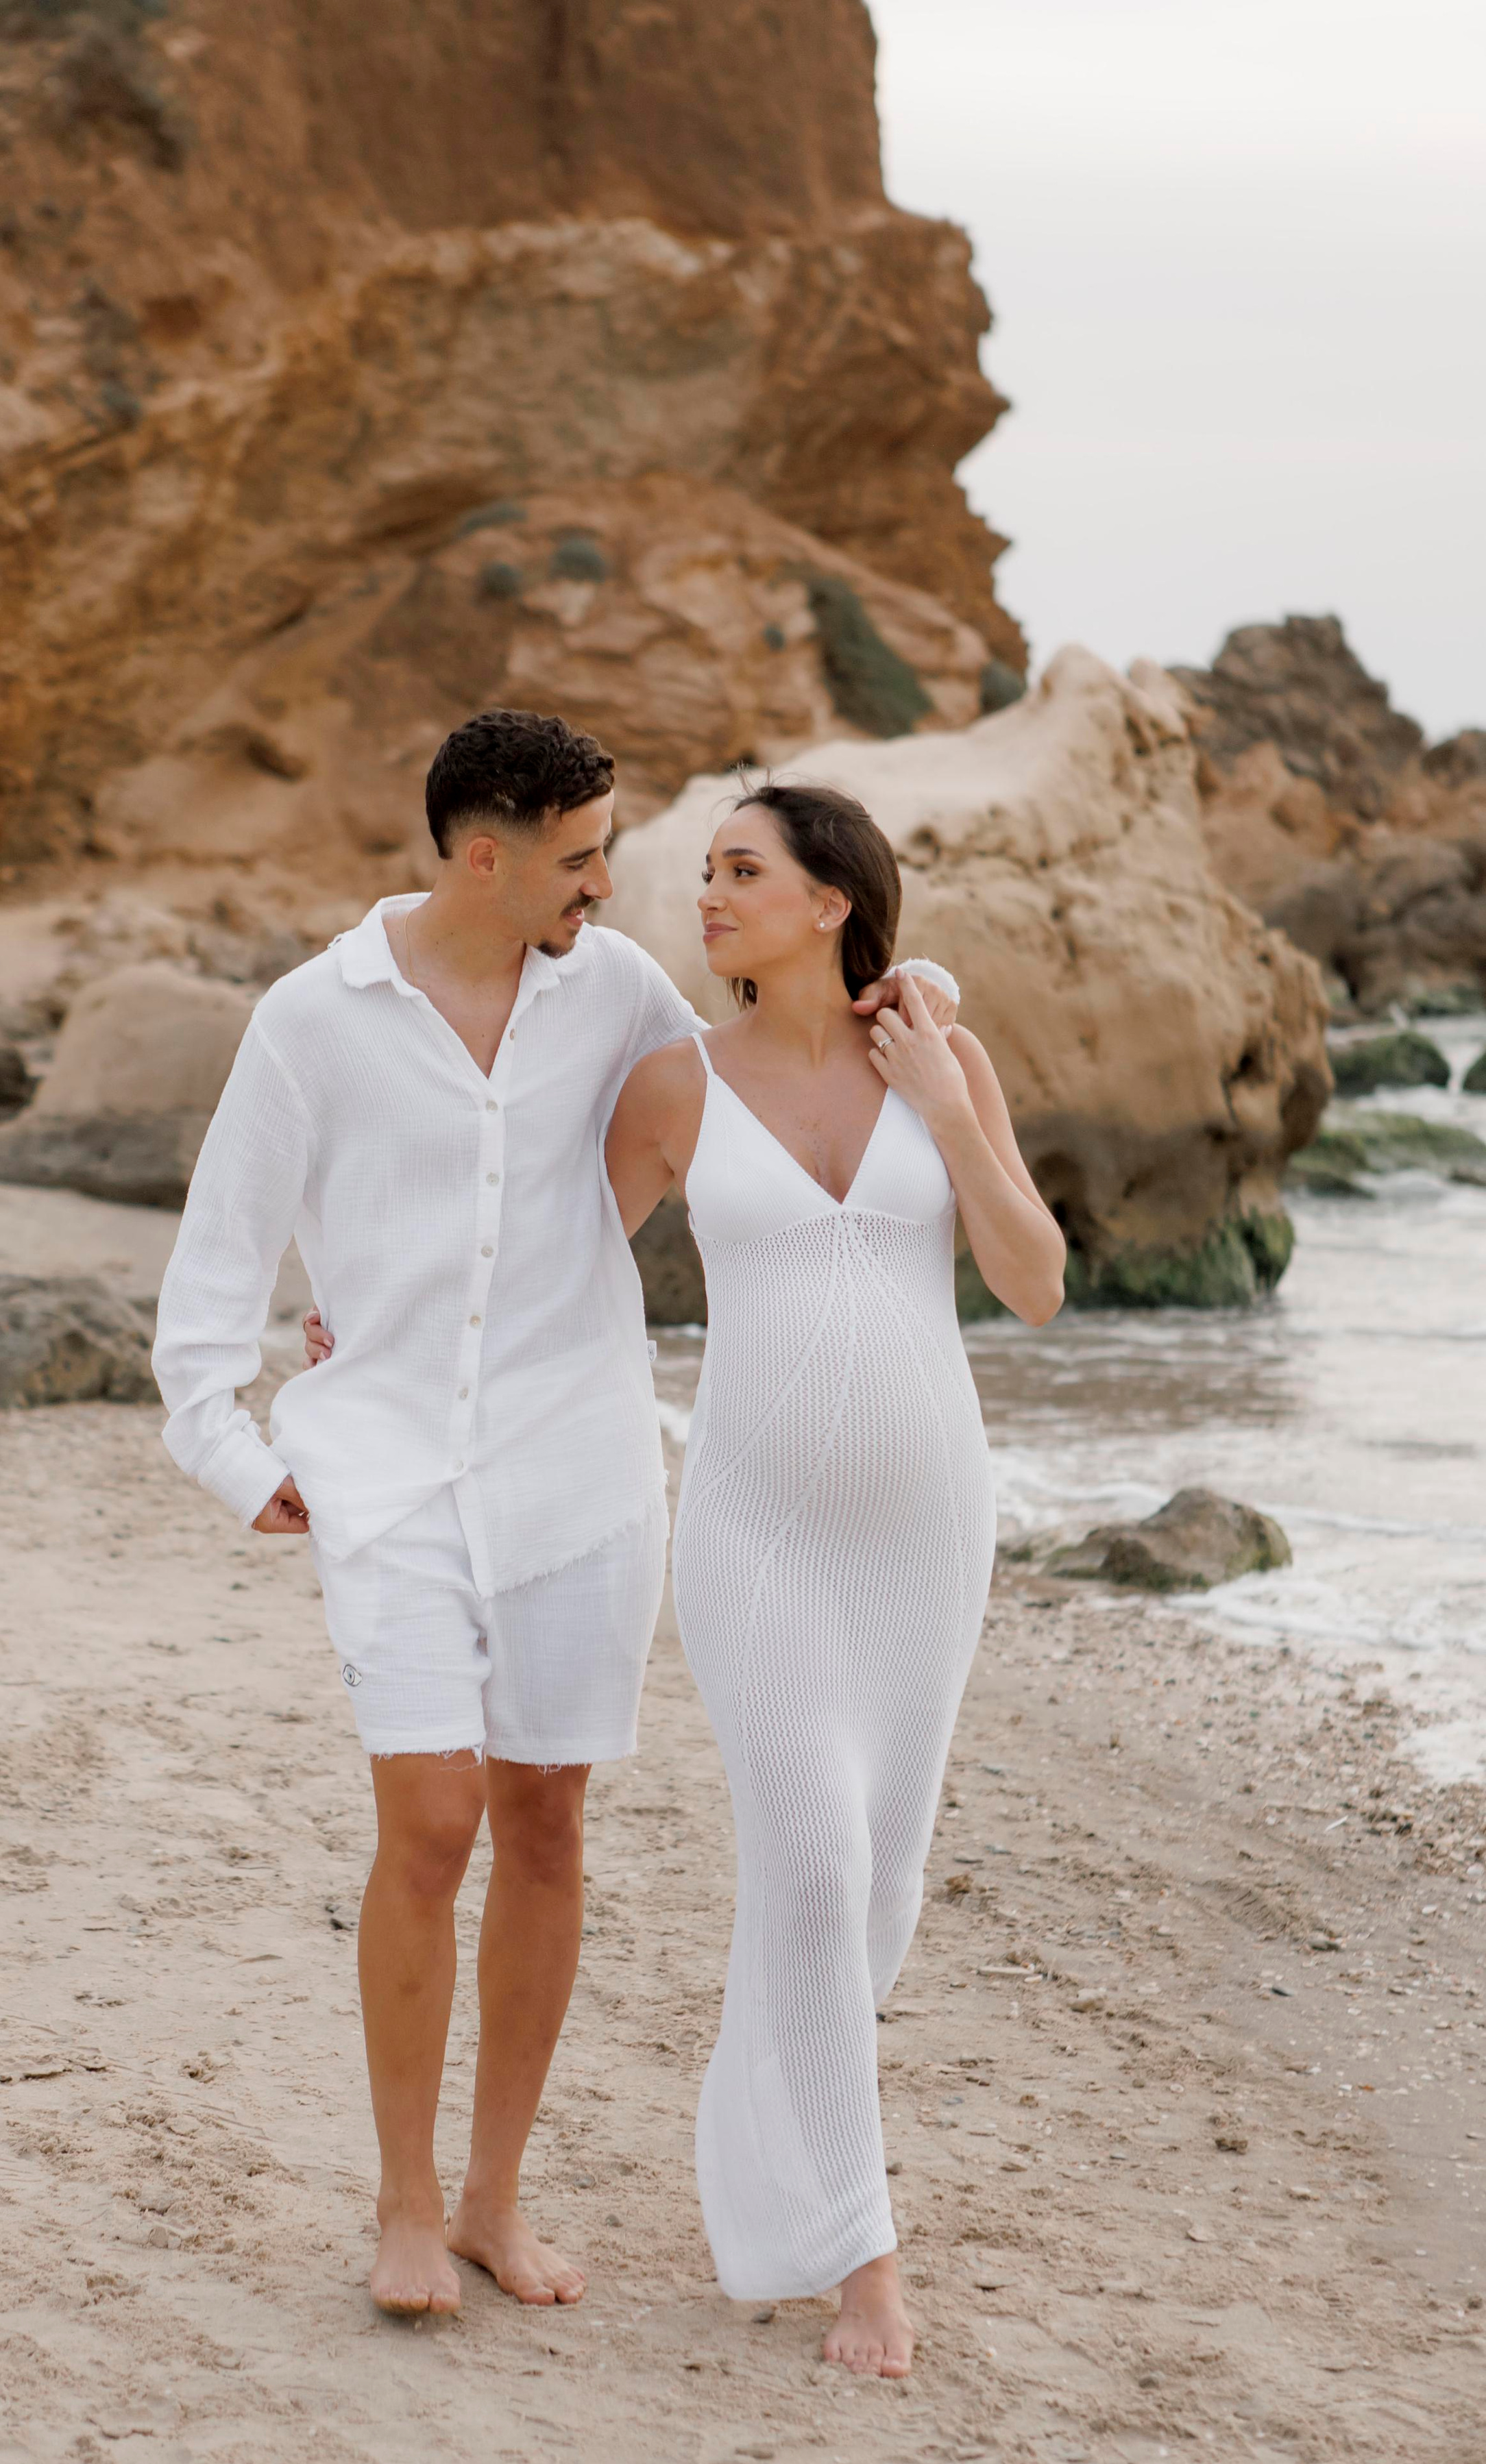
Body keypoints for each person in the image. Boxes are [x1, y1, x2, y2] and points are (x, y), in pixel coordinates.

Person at [155, 711, 958, 2322]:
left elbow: (775, 1056)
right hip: (384, 1474)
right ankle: (395, 2204)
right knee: (430, 1821)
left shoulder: (623, 999)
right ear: (485, 855)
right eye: (584, 856)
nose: (612, 884)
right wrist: (248, 1459)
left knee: (544, 1828)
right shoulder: (310, 1023)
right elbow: (210, 1286)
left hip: (578, 1471)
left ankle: (487, 2204)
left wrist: (916, 999)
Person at [605, 781, 1064, 2378]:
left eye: (742, 872)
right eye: (706, 872)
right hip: (750, 1532)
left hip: (923, 1533)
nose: (707, 895)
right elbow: (550, 1275)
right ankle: (861, 2263)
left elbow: (1034, 1281)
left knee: (867, 1893)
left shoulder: (941, 1059)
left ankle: (769, 2141)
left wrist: (944, 1103)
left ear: (828, 901)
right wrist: (367, 1336)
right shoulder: (675, 1083)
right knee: (803, 1864)